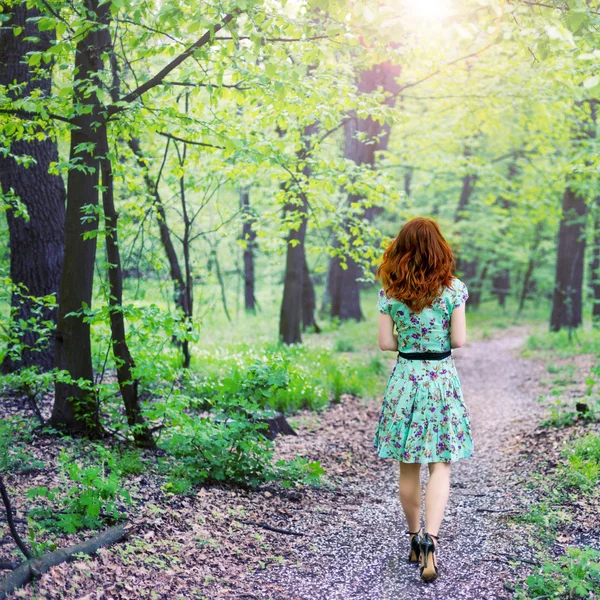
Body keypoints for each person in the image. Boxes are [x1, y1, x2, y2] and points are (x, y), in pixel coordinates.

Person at [373, 216, 474, 583]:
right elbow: (459, 340)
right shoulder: (453, 290)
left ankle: (413, 537)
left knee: (408, 464)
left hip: (405, 380)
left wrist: (411, 344)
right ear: (438, 249)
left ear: (401, 249)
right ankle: (431, 540)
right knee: (440, 464)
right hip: (440, 380)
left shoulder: (390, 292)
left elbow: (386, 343)